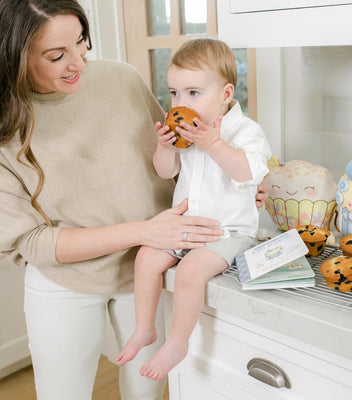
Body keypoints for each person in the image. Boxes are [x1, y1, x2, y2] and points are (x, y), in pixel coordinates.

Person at [0, 2, 268, 399]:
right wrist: (144, 231)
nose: (78, 63)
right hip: (68, 280)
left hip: (148, 269)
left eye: (81, 43)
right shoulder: (8, 130)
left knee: (146, 391)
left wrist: (242, 186)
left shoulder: (121, 79)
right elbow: (34, 242)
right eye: (57, 56)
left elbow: (180, 158)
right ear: (16, 58)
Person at [116, 38, 272, 381]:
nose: (180, 103)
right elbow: (165, 172)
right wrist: (164, 148)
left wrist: (214, 144)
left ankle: (177, 342)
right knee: (145, 257)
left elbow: (248, 172)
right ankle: (145, 328)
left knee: (188, 273)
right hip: (185, 228)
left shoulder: (246, 132)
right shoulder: (184, 133)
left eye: (193, 93)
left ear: (226, 93)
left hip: (226, 233)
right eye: (174, 93)